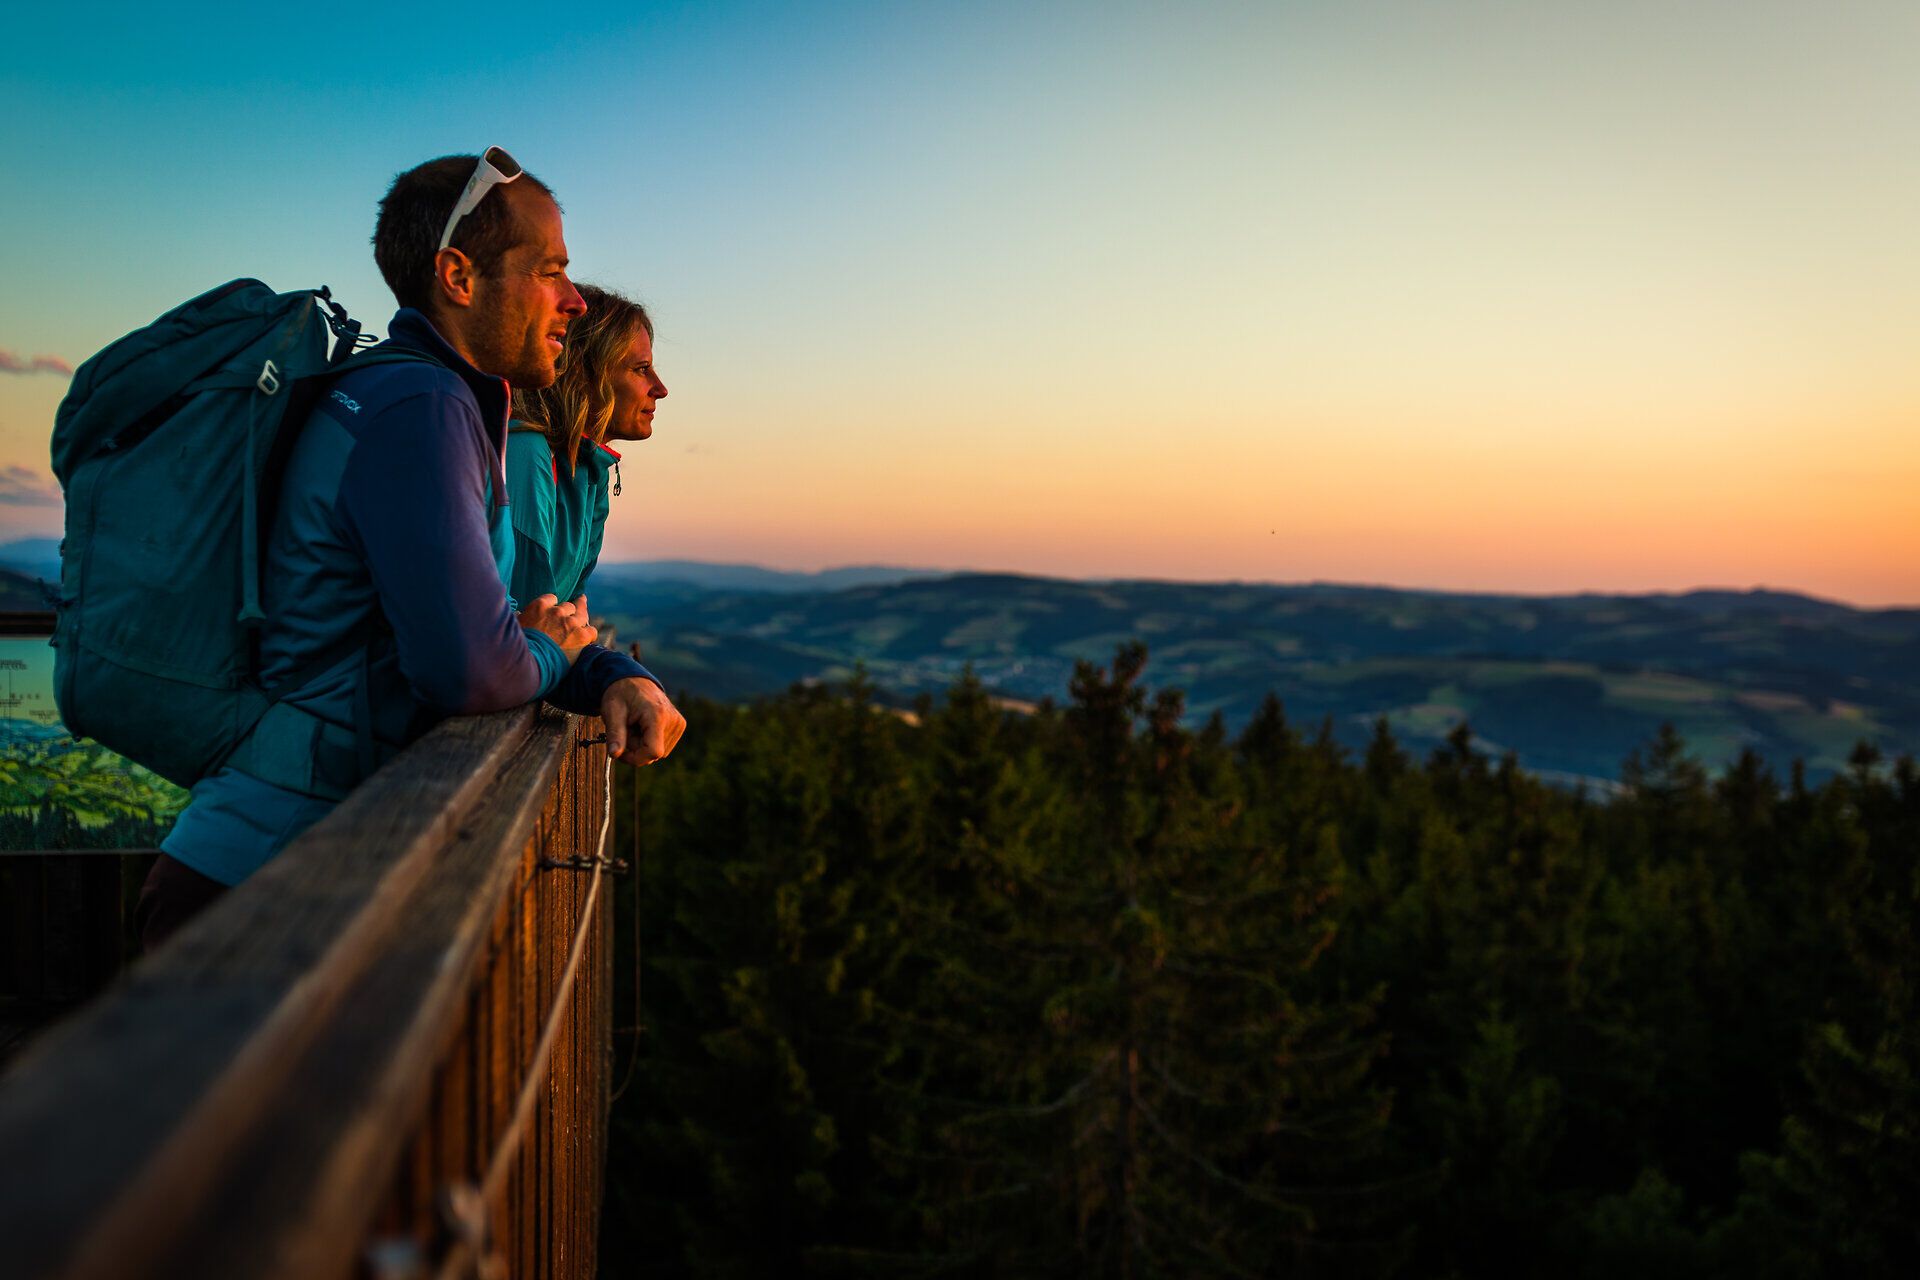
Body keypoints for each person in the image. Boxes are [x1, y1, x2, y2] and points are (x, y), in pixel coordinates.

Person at [135, 149, 686, 950]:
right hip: (268, 876)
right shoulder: (420, 406)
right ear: (459, 277)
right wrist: (559, 653)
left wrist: (600, 666)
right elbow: (474, 666)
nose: (573, 301)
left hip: (281, 854)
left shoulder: (420, 395)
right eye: (548, 272)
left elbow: (503, 624)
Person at [504, 283, 666, 608]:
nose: (659, 389)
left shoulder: (590, 468)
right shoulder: (527, 453)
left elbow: (568, 609)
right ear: (584, 372)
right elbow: (530, 617)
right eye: (641, 369)